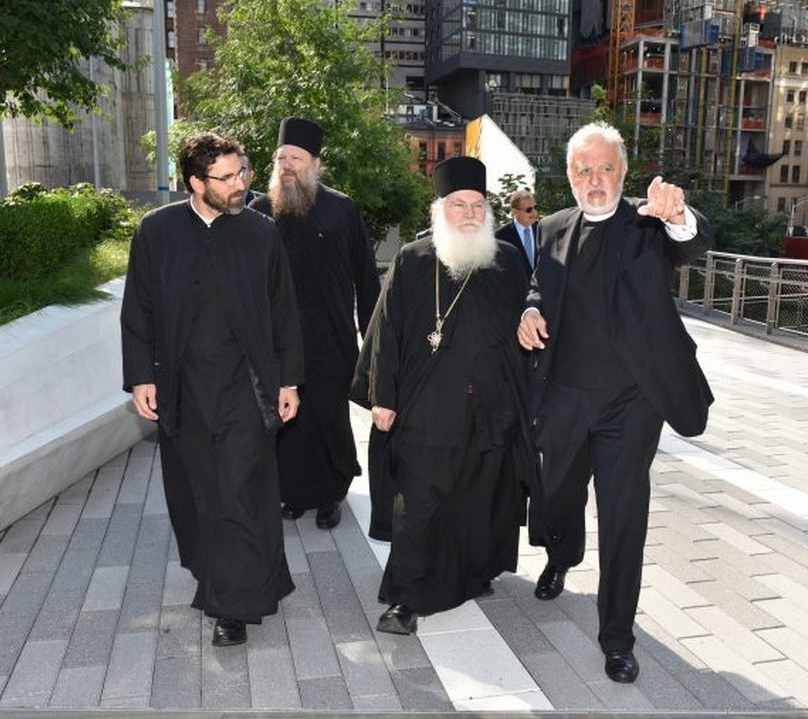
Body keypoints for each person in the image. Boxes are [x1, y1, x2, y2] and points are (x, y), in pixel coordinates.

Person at [516, 121, 714, 683]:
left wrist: (678, 216)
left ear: (622, 173)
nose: (594, 180)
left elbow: (693, 242)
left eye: (605, 169)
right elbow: (538, 287)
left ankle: (617, 638)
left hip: (631, 405)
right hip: (565, 397)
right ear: (570, 177)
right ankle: (561, 554)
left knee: (624, 517)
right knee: (555, 497)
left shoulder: (648, 225)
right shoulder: (552, 228)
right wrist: (529, 310)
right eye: (583, 170)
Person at [121, 131, 302, 647]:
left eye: (241, 173)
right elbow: (138, 311)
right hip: (183, 392)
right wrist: (141, 377)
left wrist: (289, 380)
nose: (240, 184)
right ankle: (224, 578)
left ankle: (232, 608)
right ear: (195, 183)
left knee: (239, 492)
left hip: (247, 390)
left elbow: (285, 313)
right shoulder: (155, 233)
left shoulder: (261, 234)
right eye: (226, 177)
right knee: (197, 495)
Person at [352, 156, 531, 635]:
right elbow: (384, 332)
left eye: (477, 204)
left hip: (491, 407)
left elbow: (531, 312)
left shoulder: (509, 260)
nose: (470, 213)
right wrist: (382, 398)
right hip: (427, 407)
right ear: (440, 209)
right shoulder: (413, 259)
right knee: (420, 505)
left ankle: (474, 572)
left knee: (479, 497)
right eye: (458, 205)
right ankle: (406, 600)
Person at [251, 117, 380, 530]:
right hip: (278, 344)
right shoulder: (259, 212)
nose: (287, 164)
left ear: (316, 164)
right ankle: (292, 492)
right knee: (286, 423)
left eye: (296, 157)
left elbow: (365, 276)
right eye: (281, 157)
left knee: (327, 419)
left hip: (331, 340)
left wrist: (374, 340)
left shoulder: (341, 209)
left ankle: (331, 494)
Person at [494, 188, 539, 276]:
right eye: (528, 209)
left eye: (535, 207)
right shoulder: (500, 236)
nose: (534, 212)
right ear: (515, 212)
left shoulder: (543, 230)